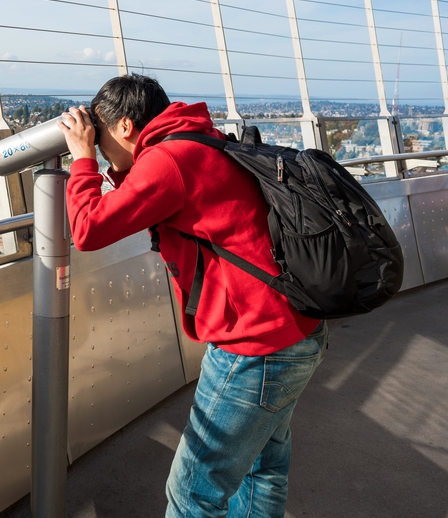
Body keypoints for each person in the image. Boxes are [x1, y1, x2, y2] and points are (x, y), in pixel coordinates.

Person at [57, 74, 328, 518]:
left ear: (125, 127)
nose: (100, 147)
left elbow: (88, 229)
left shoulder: (169, 160)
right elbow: (151, 201)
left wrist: (82, 160)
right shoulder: (197, 139)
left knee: (192, 493)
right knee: (261, 471)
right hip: (293, 331)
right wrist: (113, 162)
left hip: (254, 347)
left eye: (101, 136)